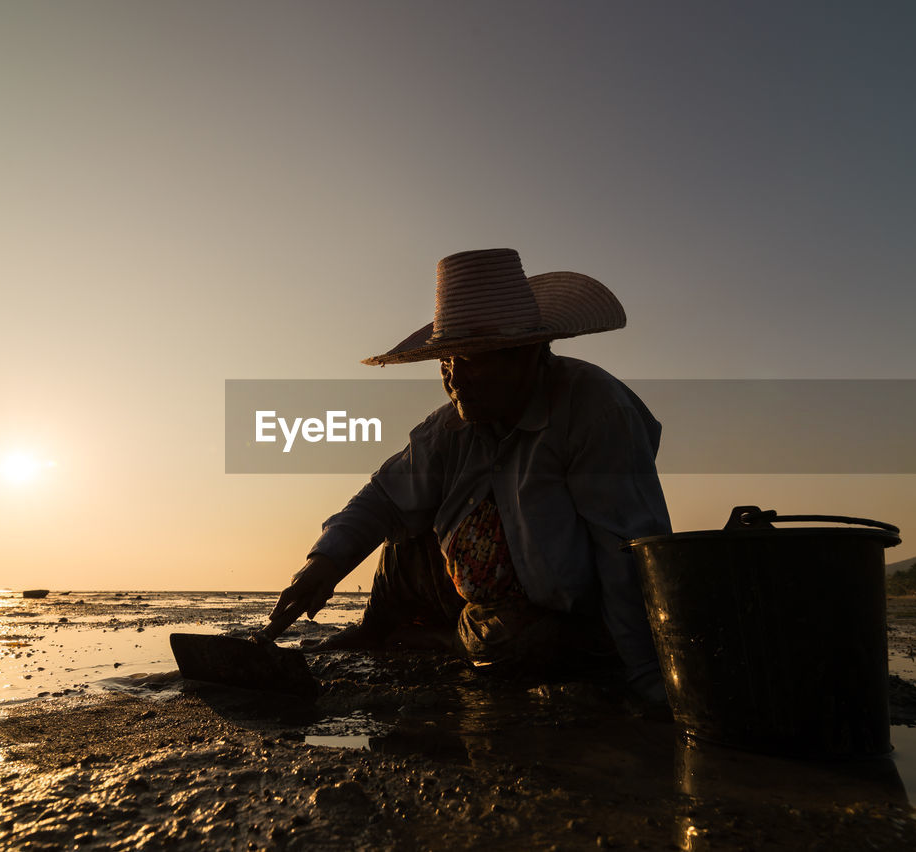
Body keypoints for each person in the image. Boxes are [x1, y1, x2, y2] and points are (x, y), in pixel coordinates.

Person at [268, 248, 672, 701]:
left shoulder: (596, 411)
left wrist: (646, 678)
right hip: (468, 591)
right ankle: (374, 630)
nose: (455, 378)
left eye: (472, 359)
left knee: (515, 647)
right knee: (401, 527)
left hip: (564, 615)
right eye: (447, 362)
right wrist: (322, 566)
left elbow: (628, 554)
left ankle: (449, 641)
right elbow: (381, 498)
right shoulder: (450, 427)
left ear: (527, 355)